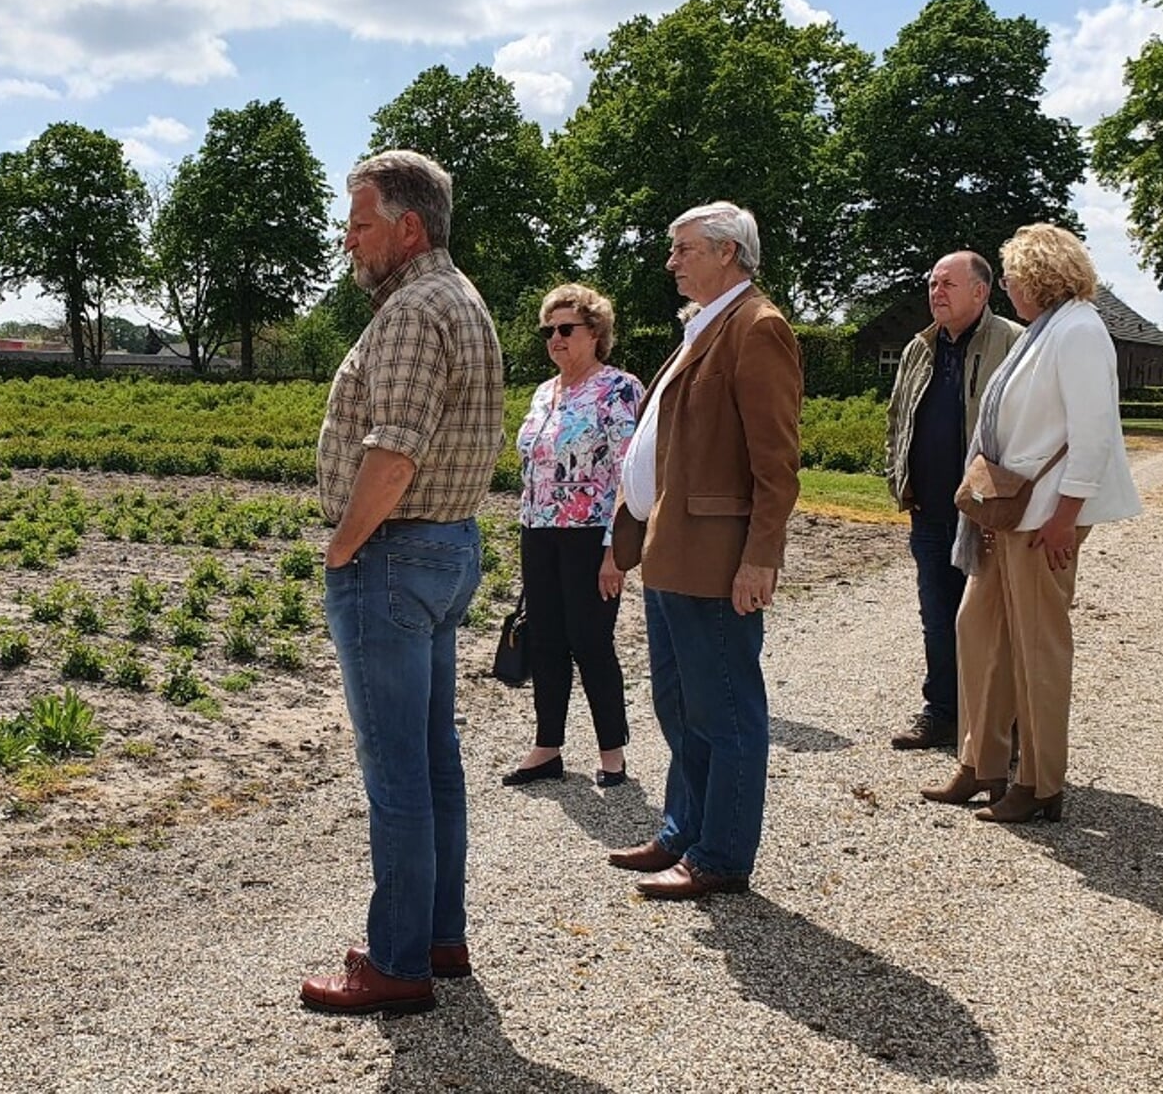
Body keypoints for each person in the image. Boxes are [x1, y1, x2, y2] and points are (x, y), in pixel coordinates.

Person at [300, 150, 503, 1016]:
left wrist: (344, 546)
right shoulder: (459, 297)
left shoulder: (415, 308)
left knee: (396, 772)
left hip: (392, 553)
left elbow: (394, 448)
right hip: (444, 544)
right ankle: (435, 935)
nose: (348, 240)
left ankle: (395, 962)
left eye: (359, 223)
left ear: (407, 227)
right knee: (431, 757)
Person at [605, 202, 802, 900]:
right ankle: (683, 827)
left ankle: (720, 854)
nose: (671, 260)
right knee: (678, 702)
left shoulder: (757, 328)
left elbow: (775, 462)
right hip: (670, 549)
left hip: (716, 555)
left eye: (682, 248)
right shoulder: (703, 327)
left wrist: (760, 556)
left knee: (724, 707)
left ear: (726, 252)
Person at [922, 224, 1141, 823]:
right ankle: (982, 763)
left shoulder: (1078, 331)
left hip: (1046, 515)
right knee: (978, 629)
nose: (1009, 285)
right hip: (1013, 511)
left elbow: (1094, 433)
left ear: (1041, 275)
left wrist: (1066, 517)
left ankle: (1042, 783)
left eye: (1014, 275)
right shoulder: (1046, 331)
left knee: (1037, 646)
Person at [501, 283, 645, 790]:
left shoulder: (619, 389)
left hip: (591, 536)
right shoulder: (545, 391)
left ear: (596, 333)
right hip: (539, 530)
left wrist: (616, 552)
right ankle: (548, 747)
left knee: (591, 642)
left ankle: (613, 752)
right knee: (546, 641)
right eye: (549, 330)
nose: (555, 338)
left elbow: (632, 474)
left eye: (566, 329)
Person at [884, 253, 1020, 751]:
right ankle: (943, 712)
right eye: (932, 283)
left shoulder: (1013, 343)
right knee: (937, 618)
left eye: (948, 284)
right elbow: (897, 418)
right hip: (929, 511)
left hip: (985, 513)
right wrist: (899, 478)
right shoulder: (918, 348)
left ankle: (1002, 726)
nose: (936, 292)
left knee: (993, 620)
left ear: (981, 292)